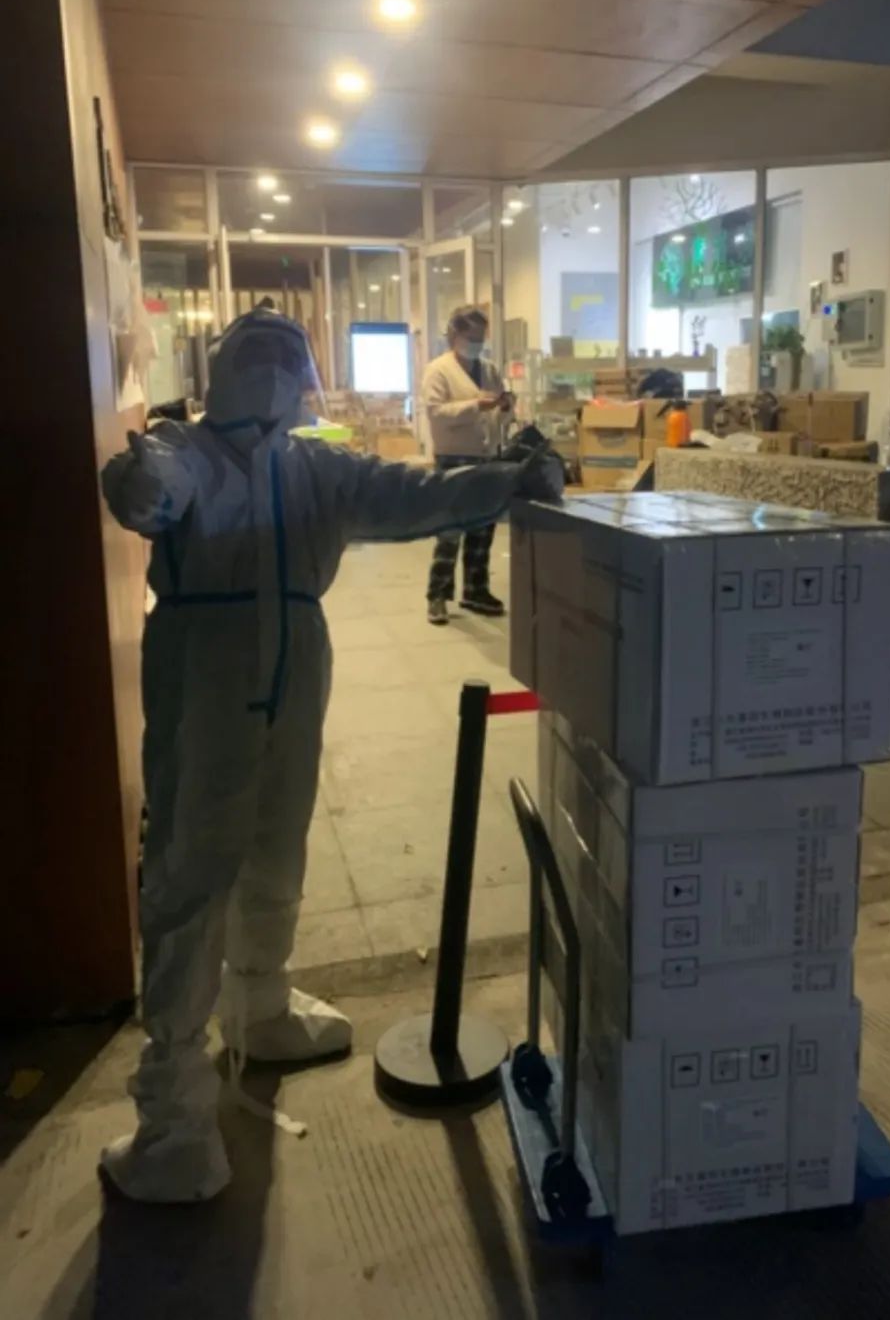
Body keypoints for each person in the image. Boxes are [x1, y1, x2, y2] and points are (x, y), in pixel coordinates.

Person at [100, 307, 557, 1203]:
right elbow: (145, 491)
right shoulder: (186, 451)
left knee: (278, 846)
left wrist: (510, 481)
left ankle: (261, 1004)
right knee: (192, 871)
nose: (279, 378)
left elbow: (414, 496)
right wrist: (142, 475)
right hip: (206, 674)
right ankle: (174, 1124)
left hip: (296, 666)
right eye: (265, 359)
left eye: (287, 361)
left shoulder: (313, 465)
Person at [421, 305, 513, 626]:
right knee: (450, 529)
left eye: (481, 337)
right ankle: (437, 595)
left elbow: (500, 414)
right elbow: (436, 412)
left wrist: (505, 407)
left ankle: (476, 589)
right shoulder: (438, 370)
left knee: (482, 528)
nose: (476, 343)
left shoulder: (489, 369)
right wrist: (476, 405)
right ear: (454, 334)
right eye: (471, 337)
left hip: (487, 456)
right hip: (453, 457)